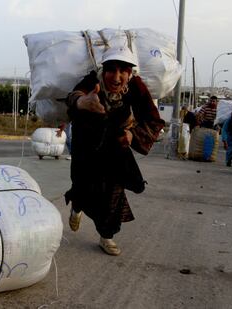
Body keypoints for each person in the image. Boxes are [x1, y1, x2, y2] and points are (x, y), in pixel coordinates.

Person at [64, 46, 165, 256]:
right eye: (111, 69)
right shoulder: (93, 81)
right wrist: (84, 102)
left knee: (114, 193)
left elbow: (154, 120)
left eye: (123, 71)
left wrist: (132, 135)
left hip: (116, 147)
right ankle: (77, 205)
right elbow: (74, 97)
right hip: (87, 146)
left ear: (130, 73)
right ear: (104, 70)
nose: (116, 77)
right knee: (83, 185)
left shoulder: (136, 87)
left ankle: (106, 236)